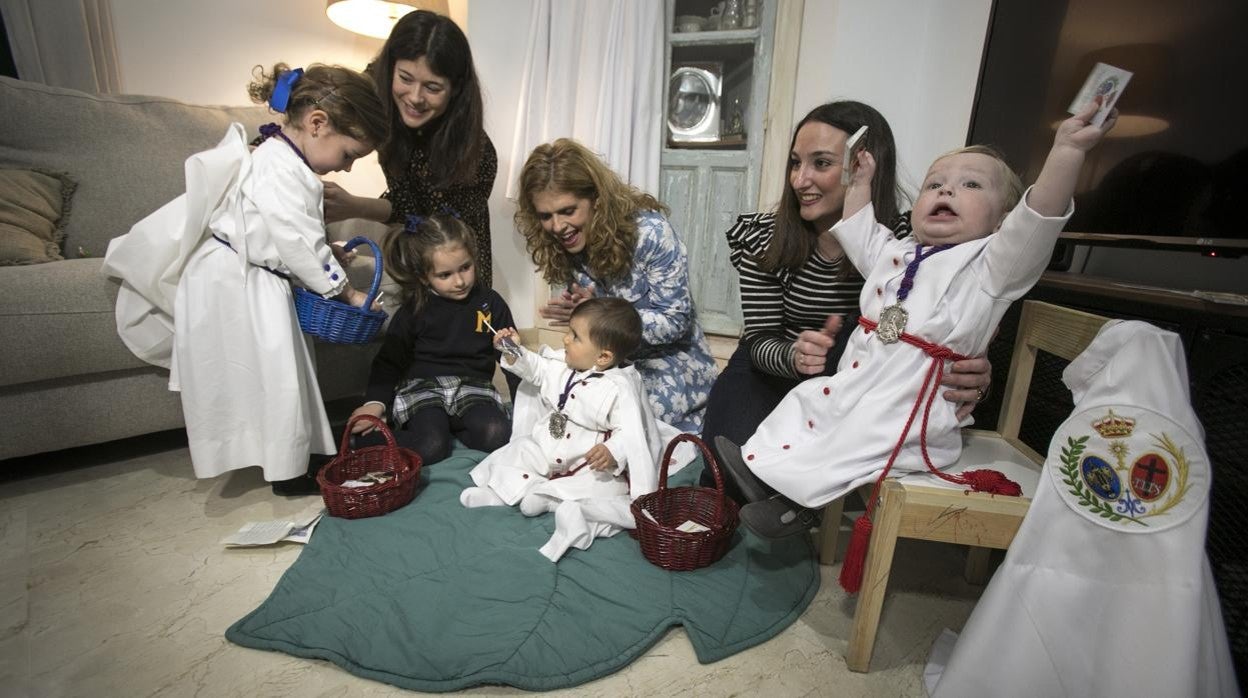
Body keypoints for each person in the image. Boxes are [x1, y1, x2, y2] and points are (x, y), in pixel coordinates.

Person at [719, 99, 1119, 539]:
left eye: (970, 184)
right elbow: (860, 227)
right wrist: (860, 180)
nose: (946, 192)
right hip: (857, 380)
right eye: (935, 184)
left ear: (1004, 221)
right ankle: (765, 473)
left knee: (855, 431)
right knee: (807, 405)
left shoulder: (991, 265)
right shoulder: (899, 251)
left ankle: (797, 505)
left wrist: (1067, 151)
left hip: (907, 405)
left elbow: (1038, 220)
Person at [103, 63, 387, 495]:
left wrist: (327, 251)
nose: (347, 169)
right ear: (317, 124)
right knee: (274, 378)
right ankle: (287, 472)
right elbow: (294, 239)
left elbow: (282, 233)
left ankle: (293, 455)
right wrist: (345, 291)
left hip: (248, 275)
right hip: (239, 283)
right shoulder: (281, 168)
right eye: (348, 155)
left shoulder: (282, 160)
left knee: (278, 378)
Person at [700, 101, 994, 502]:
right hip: (773, 365)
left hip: (863, 380)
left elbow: (961, 312)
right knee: (725, 475)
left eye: (821, 163)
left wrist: (969, 370)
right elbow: (759, 339)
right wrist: (795, 356)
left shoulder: (910, 239)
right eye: (795, 163)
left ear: (862, 166)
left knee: (806, 480)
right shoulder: (763, 238)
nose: (800, 179)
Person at [515, 138, 717, 433]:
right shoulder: (568, 244)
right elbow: (596, 320)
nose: (557, 226)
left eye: (568, 211)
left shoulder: (651, 233)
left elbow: (676, 321)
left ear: (596, 200)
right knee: (554, 394)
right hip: (608, 358)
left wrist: (602, 318)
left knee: (619, 412)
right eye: (546, 216)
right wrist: (585, 315)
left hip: (670, 361)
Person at [461, 298, 667, 561]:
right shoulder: (563, 365)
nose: (566, 339)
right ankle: (500, 493)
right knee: (518, 450)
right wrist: (513, 349)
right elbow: (537, 369)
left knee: (602, 488)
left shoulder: (618, 389)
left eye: (575, 336)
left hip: (584, 463)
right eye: (569, 332)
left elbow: (632, 433)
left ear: (603, 357)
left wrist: (612, 450)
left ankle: (547, 499)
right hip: (547, 447)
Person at [321, 10, 498, 287]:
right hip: (407, 254)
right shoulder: (374, 87)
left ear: (455, 89)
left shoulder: (478, 155)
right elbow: (319, 112)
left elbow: (430, 224)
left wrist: (355, 206)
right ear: (390, 67)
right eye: (405, 78)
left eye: (432, 87)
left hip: (453, 263)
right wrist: (271, 145)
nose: (415, 97)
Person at [350, 213, 513, 464]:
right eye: (445, 275)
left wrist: (524, 404)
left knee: (498, 434)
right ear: (424, 277)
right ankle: (363, 442)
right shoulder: (414, 309)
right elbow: (389, 361)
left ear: (474, 259)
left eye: (465, 268)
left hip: (474, 388)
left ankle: (451, 428)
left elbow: (511, 360)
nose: (459, 281)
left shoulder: (491, 302)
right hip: (424, 389)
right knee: (431, 445)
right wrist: (376, 403)